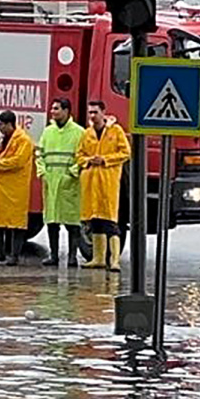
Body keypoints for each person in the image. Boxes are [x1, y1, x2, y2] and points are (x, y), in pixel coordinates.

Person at [74, 99, 131, 272]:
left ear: (103, 112)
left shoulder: (116, 131)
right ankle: (98, 258)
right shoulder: (87, 133)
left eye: (95, 112)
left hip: (108, 182)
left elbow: (125, 152)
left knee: (111, 223)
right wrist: (87, 161)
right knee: (95, 222)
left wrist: (106, 160)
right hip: (91, 183)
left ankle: (114, 260)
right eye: (90, 113)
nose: (92, 116)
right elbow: (79, 154)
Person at [37, 98, 87, 266]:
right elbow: (40, 154)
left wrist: (72, 173)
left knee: (72, 223)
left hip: (69, 183)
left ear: (66, 111)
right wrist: (42, 172)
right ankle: (54, 256)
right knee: (52, 221)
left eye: (56, 108)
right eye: (52, 108)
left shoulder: (79, 132)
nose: (53, 111)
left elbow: (82, 156)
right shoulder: (48, 131)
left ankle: (72, 257)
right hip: (51, 182)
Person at [0, 110, 37, 266]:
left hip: (16, 187)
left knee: (16, 223)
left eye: (1, 125)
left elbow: (18, 161)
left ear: (9, 124)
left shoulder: (24, 141)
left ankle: (14, 255)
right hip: (0, 185)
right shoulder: (2, 140)